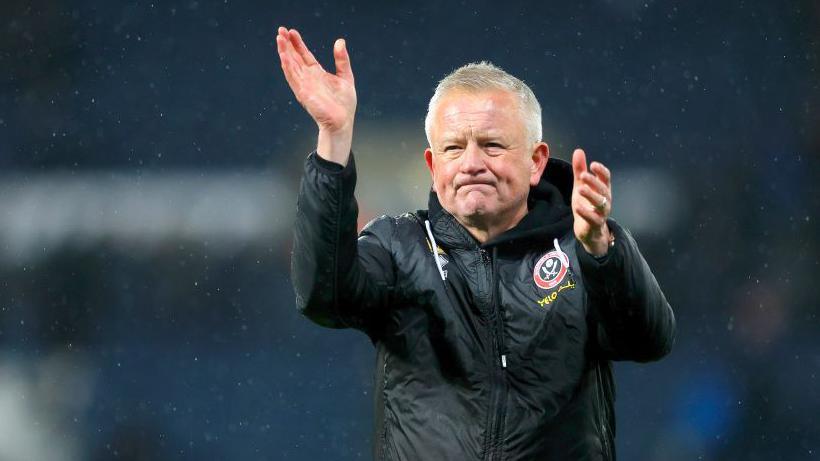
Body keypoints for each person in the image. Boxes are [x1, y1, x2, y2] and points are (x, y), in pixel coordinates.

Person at [278, 25, 675, 460]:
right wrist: (333, 139)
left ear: (536, 161)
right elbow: (322, 295)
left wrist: (601, 248)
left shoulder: (586, 247)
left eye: (491, 145)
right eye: (453, 147)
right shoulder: (398, 246)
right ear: (432, 164)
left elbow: (648, 340)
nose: (471, 164)